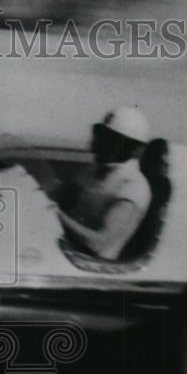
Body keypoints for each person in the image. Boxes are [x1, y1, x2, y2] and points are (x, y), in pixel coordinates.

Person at [55, 106, 152, 260]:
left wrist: (55, 214)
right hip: (64, 251)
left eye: (112, 140)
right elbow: (63, 198)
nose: (100, 143)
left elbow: (98, 243)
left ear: (134, 149)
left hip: (88, 265)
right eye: (101, 134)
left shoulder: (133, 187)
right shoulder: (92, 171)